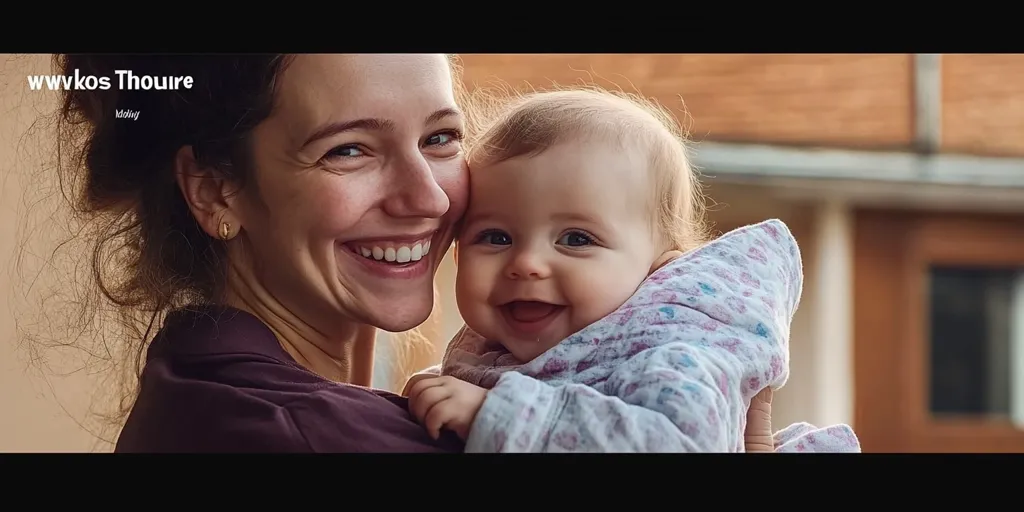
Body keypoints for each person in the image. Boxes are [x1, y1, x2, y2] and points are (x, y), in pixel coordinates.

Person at [43, 53, 779, 452]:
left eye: (440, 139)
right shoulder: (303, 434)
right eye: (349, 149)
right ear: (216, 191)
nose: (426, 197)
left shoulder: (205, 393)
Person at [405, 89, 861, 453]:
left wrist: (497, 414)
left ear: (659, 267)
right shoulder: (497, 346)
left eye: (577, 239)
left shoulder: (672, 351)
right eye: (496, 238)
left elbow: (679, 442)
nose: (526, 264)